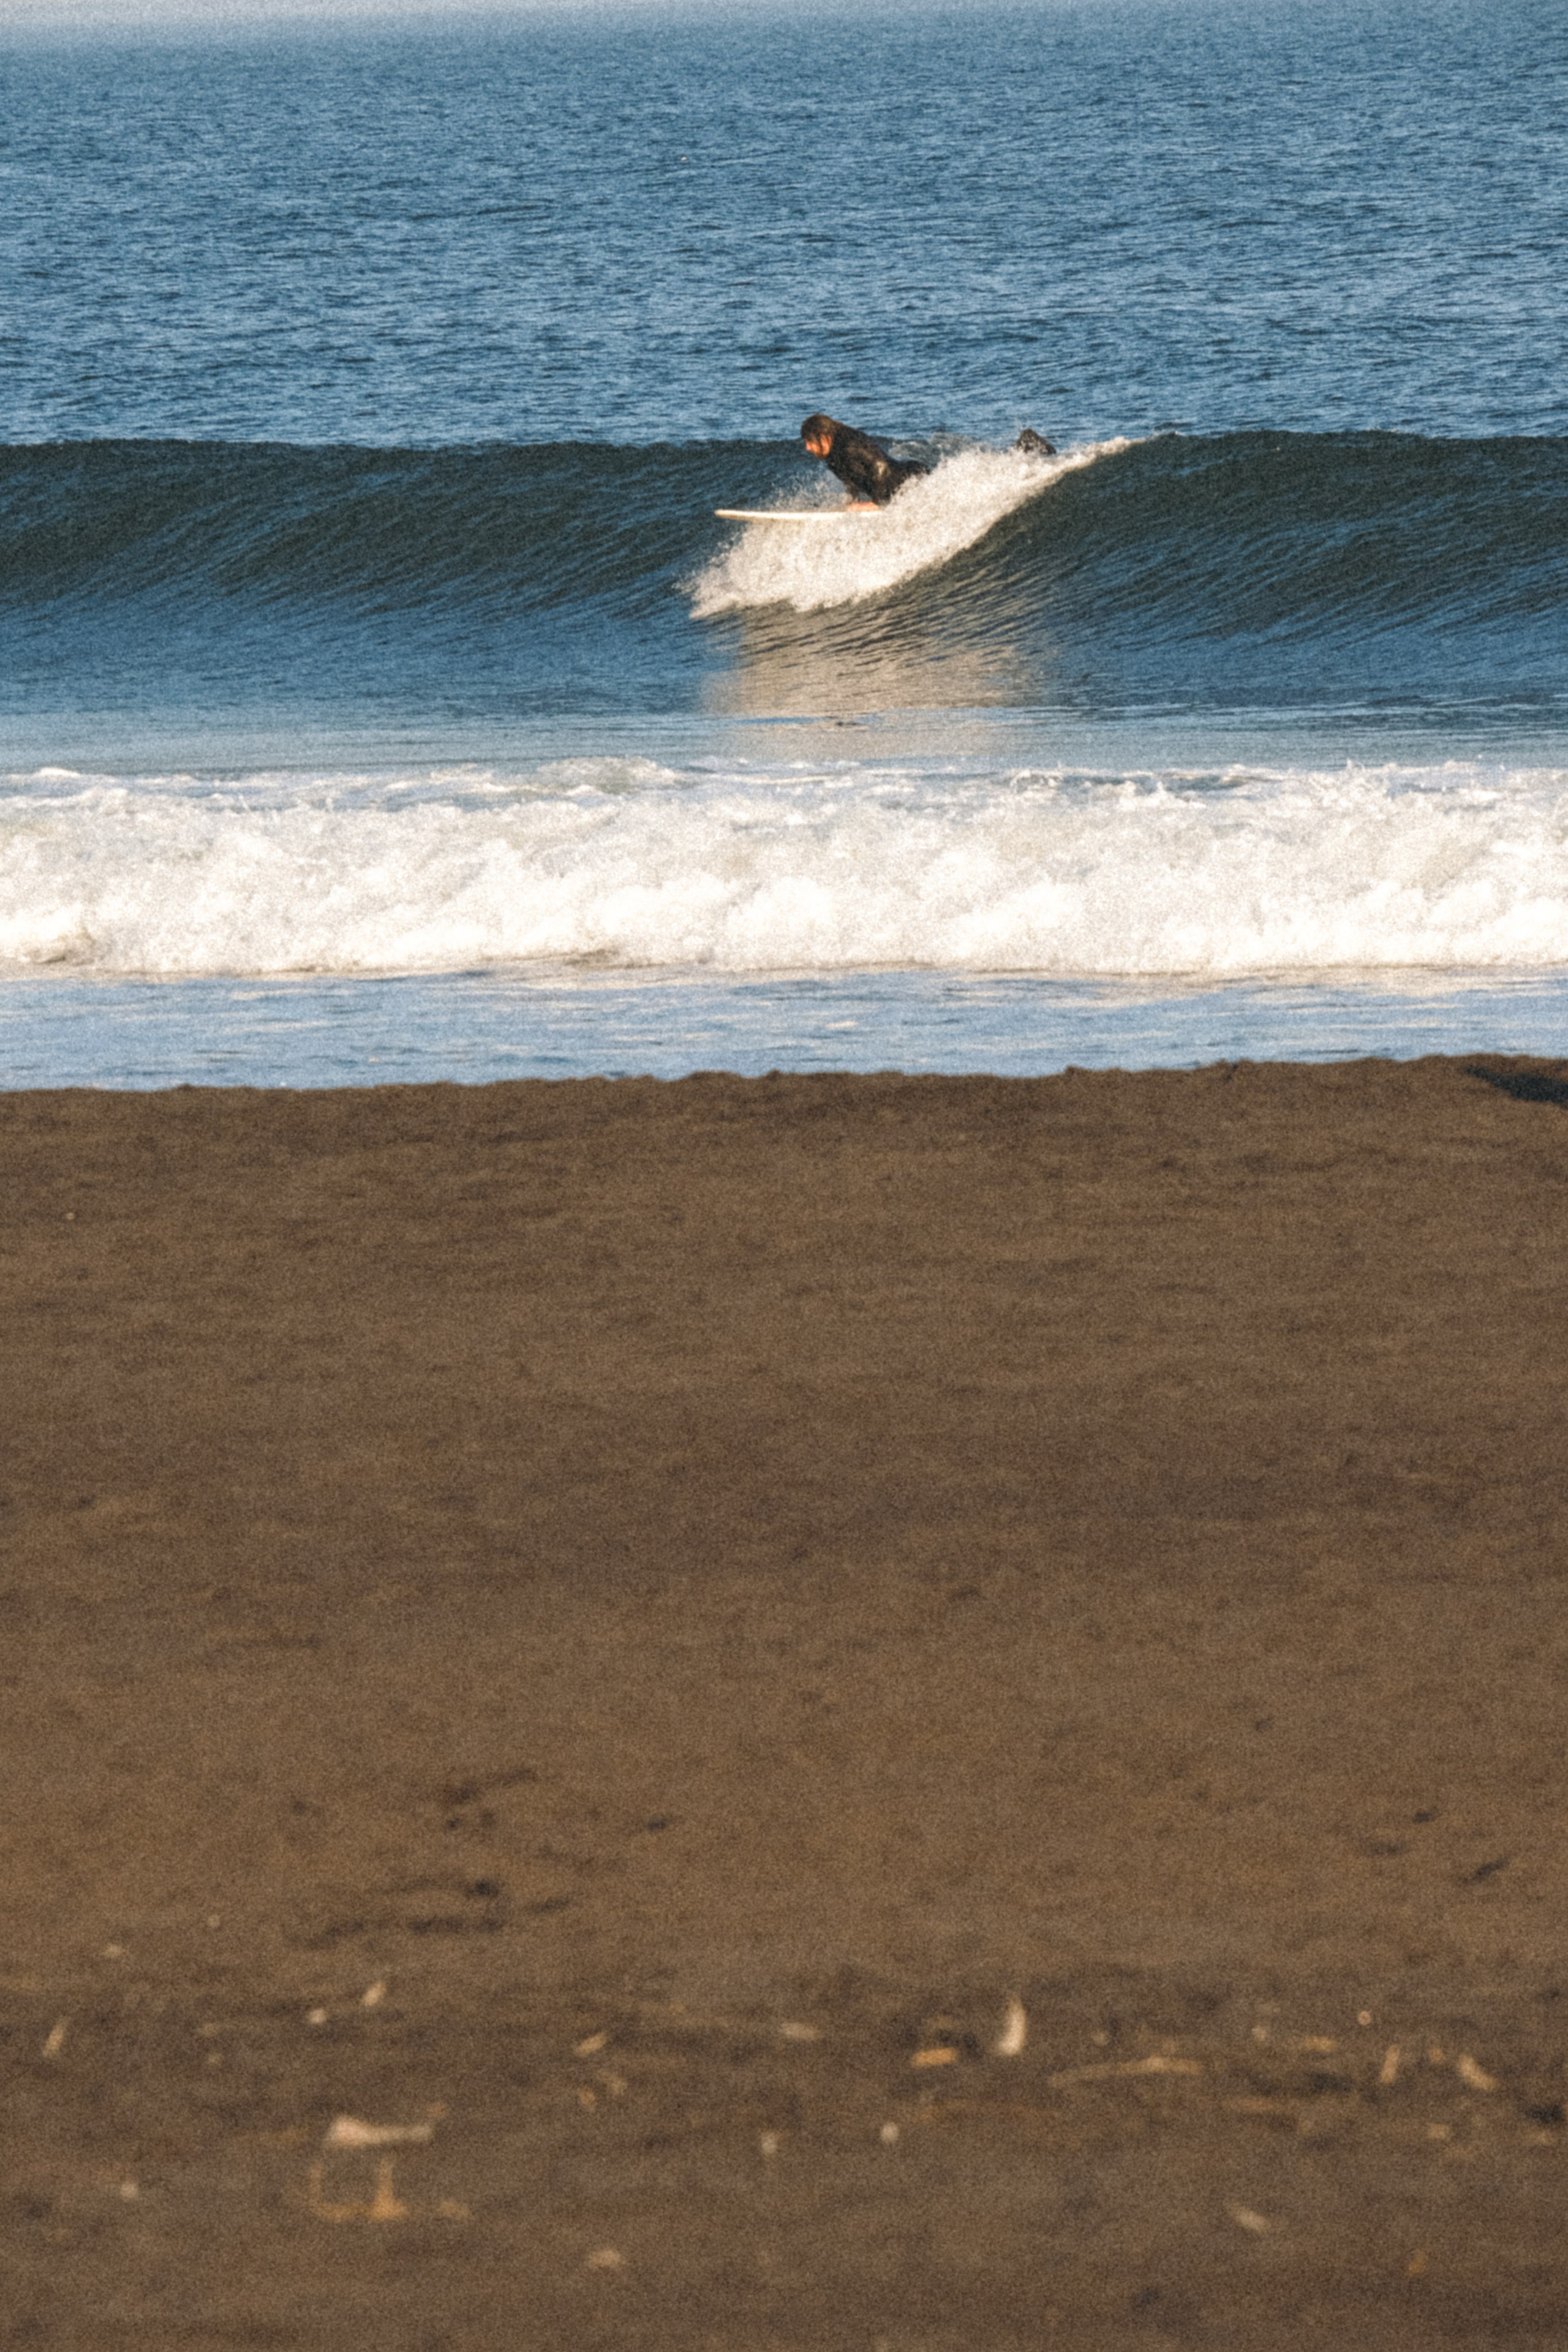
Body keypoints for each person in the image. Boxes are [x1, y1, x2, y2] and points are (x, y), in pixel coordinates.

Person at [801, 414, 929, 508]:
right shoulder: (832, 454)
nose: (807, 448)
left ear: (823, 438)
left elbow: (880, 465)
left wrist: (876, 503)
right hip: (898, 482)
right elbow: (851, 480)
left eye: (810, 441)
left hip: (914, 477)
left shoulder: (849, 445)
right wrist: (853, 503)